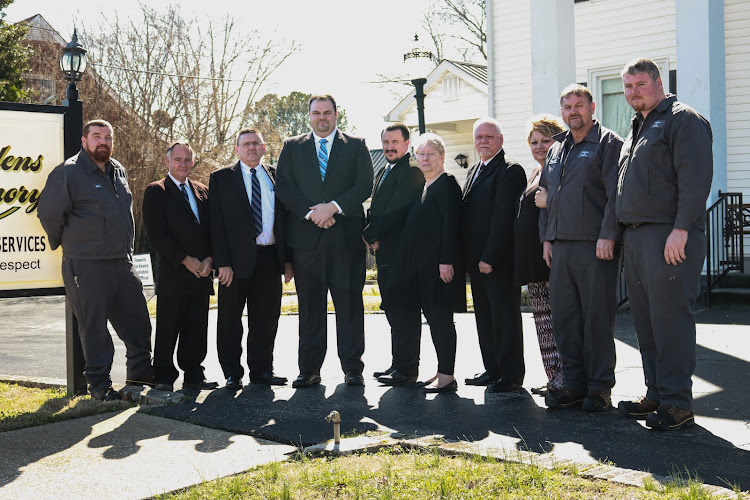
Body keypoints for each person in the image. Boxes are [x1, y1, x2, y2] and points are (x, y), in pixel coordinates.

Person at [616, 58, 713, 430]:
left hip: (669, 235)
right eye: (627, 86)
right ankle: (656, 392)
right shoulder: (638, 126)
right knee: (646, 322)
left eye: (639, 84)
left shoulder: (682, 119)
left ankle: (677, 403)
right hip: (638, 237)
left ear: (658, 82)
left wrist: (682, 228)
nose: (633, 92)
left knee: (670, 319)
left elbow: (695, 177)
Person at [37, 119, 154, 401]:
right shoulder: (69, 172)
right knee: (94, 328)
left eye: (108, 137)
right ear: (84, 141)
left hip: (121, 262)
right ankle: (100, 387)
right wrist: (73, 245)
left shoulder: (119, 171)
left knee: (138, 321)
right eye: (97, 136)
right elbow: (49, 214)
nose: (104, 141)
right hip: (86, 264)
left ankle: (138, 376)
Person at [275, 95, 373, 388]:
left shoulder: (356, 145)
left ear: (336, 114)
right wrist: (312, 213)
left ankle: (353, 368)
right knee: (310, 308)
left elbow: (364, 185)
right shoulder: (292, 147)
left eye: (327, 113)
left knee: (350, 307)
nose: (322, 117)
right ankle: (309, 369)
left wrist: (333, 207)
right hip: (307, 244)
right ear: (309, 116)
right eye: (316, 113)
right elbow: (284, 185)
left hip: (346, 242)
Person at [538, 84, 623, 412]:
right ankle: (573, 384)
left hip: (595, 246)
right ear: (561, 111)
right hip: (560, 247)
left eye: (579, 105)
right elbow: (544, 195)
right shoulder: (557, 147)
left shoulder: (608, 144)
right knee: (566, 319)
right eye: (567, 106)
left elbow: (615, 195)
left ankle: (600, 388)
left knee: (597, 319)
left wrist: (608, 235)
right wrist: (547, 238)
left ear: (592, 107)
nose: (573, 111)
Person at [209, 128, 290, 390]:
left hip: (269, 258)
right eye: (246, 144)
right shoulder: (221, 178)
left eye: (256, 143)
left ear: (264, 147)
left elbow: (285, 221)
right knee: (230, 320)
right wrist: (222, 263)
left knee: (266, 319)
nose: (251, 147)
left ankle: (262, 371)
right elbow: (216, 225)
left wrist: (287, 260)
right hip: (233, 263)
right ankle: (233, 373)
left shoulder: (276, 176)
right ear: (237, 149)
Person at [142, 141, 218, 393]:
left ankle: (194, 374)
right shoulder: (157, 191)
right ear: (167, 161)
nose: (183, 164)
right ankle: (163, 375)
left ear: (193, 161)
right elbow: (158, 235)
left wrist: (208, 260)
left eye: (187, 159)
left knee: (196, 329)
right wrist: (187, 261)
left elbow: (211, 231)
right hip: (174, 275)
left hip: (201, 275)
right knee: (168, 328)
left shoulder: (203, 192)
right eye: (178, 159)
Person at [462, 117, 527, 393]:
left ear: (501, 140)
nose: (483, 141)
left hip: (497, 261)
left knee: (504, 318)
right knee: (485, 318)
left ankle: (510, 374)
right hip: (477, 262)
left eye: (489, 136)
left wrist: (489, 257)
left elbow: (503, 218)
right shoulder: (474, 169)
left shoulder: (510, 171)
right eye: (479, 137)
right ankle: (493, 369)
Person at [363, 124, 425, 386]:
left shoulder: (411, 171)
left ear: (406, 143)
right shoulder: (384, 170)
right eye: (386, 142)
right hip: (386, 253)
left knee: (405, 312)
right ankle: (397, 363)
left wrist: (369, 234)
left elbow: (397, 211)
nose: (389, 147)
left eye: (395, 142)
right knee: (393, 311)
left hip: (402, 255)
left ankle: (408, 369)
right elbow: (376, 208)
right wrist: (373, 235)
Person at [401, 133, 463, 393]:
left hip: (440, 267)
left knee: (441, 320)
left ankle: (447, 375)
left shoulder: (447, 184)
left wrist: (446, 261)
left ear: (442, 157)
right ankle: (441, 371)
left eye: (430, 154)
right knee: (434, 320)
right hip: (424, 267)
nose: (424, 159)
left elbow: (452, 226)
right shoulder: (427, 185)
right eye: (421, 154)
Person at [515, 115, 566, 396]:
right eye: (534, 141)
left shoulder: (559, 170)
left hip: (551, 260)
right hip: (534, 263)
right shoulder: (535, 172)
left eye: (545, 140)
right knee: (544, 325)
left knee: (559, 322)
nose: (539, 146)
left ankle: (564, 379)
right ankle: (552, 378)